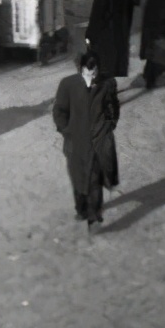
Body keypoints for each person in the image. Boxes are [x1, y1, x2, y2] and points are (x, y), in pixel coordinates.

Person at [50, 50, 120, 233]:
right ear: (80, 70)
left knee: (94, 180)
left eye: (95, 72)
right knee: (78, 179)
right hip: (76, 142)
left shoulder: (107, 84)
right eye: (87, 73)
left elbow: (113, 106)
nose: (92, 77)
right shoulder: (68, 85)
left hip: (97, 142)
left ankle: (94, 218)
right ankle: (81, 209)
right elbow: (59, 111)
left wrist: (109, 125)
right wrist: (67, 131)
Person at [85, 0, 134, 81]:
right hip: (121, 33)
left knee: (106, 63)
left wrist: (89, 35)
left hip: (105, 35)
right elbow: (129, 14)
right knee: (118, 60)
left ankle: (109, 87)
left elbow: (95, 17)